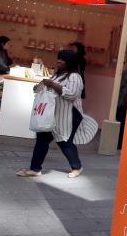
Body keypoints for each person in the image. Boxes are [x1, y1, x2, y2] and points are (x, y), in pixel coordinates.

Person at [16, 50, 97, 178]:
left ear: (70, 62)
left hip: (69, 115)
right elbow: (44, 90)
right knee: (42, 140)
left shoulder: (75, 77)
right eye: (59, 58)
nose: (59, 61)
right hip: (52, 115)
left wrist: (53, 84)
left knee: (65, 142)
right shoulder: (57, 75)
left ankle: (77, 167)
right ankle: (35, 169)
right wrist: (42, 85)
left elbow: (72, 94)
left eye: (63, 59)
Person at [116, 54, 127, 149]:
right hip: (126, 102)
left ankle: (118, 143)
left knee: (120, 122)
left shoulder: (125, 72)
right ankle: (120, 143)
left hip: (121, 101)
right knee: (123, 124)